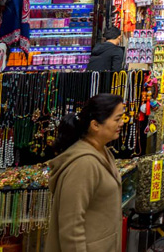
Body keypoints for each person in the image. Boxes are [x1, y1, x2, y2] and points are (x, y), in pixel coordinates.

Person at [46, 94, 125, 252]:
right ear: (95, 125)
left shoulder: (104, 152)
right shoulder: (83, 164)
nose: (122, 123)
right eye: (117, 119)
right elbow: (71, 226)